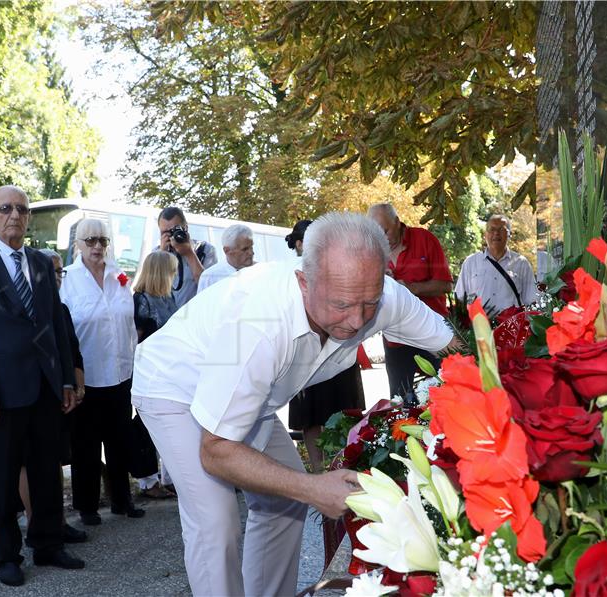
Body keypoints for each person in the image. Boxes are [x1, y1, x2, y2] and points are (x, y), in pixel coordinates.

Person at [132, 212, 456, 596]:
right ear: (304, 282)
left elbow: (453, 346)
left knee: (284, 504)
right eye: (341, 305)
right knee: (216, 520)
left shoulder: (381, 295)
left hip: (252, 398)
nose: (356, 321)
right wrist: (312, 486)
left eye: (369, 304)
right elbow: (216, 451)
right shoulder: (259, 323)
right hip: (176, 388)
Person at [0, 185, 83, 587]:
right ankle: (6, 554)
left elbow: (54, 325)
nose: (14, 215)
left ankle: (47, 543)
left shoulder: (42, 263)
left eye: (21, 209)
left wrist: (64, 379)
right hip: (0, 393)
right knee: (1, 476)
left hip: (44, 388)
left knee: (46, 471)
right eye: (5, 208)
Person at [59, 218, 143, 525]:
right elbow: (63, 331)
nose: (97, 247)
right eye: (91, 241)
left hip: (120, 372)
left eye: (103, 241)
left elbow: (130, 326)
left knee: (120, 440)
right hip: (87, 376)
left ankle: (123, 499)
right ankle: (88, 506)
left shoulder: (118, 277)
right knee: (86, 446)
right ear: (78, 245)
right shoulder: (68, 280)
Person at [285, 219, 366, 473]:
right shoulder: (289, 273)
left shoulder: (336, 263)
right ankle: (320, 470)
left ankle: (347, 461)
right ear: (300, 244)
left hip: (340, 348)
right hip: (306, 354)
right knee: (311, 416)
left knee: (345, 409)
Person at [367, 203, 453, 403]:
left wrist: (411, 289)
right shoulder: (372, 250)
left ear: (397, 222)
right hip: (396, 337)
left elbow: (446, 285)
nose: (381, 238)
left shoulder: (425, 240)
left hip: (433, 332)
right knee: (400, 401)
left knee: (443, 394)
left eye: (385, 231)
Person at [39, 248, 89, 543]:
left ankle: (58, 520)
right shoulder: (31, 309)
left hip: (65, 395)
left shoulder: (63, 308)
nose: (58, 278)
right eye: (53, 271)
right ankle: (42, 523)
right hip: (40, 398)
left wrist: (77, 385)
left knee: (58, 460)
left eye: (60, 271)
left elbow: (73, 351)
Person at [130, 250, 179, 498]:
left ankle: (168, 478)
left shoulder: (169, 296)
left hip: (170, 371)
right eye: (171, 270)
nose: (175, 274)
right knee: (147, 427)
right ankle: (147, 481)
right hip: (150, 372)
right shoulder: (142, 299)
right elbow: (136, 340)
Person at [455, 214, 537, 313]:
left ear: (509, 234)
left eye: (501, 230)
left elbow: (531, 300)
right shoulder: (470, 263)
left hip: (511, 326)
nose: (496, 233)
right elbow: (460, 299)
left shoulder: (521, 264)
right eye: (492, 229)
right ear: (485, 235)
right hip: (478, 326)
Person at [156, 206, 217, 307]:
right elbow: (152, 288)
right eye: (165, 232)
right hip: (166, 318)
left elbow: (208, 286)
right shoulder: (156, 253)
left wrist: (189, 253)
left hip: (194, 315)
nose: (171, 235)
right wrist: (162, 255)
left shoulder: (205, 250)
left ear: (186, 227)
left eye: (175, 230)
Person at [197, 224, 254, 292]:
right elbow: (204, 302)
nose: (251, 252)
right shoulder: (210, 277)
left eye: (251, 247)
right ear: (227, 250)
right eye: (245, 249)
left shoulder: (261, 272)